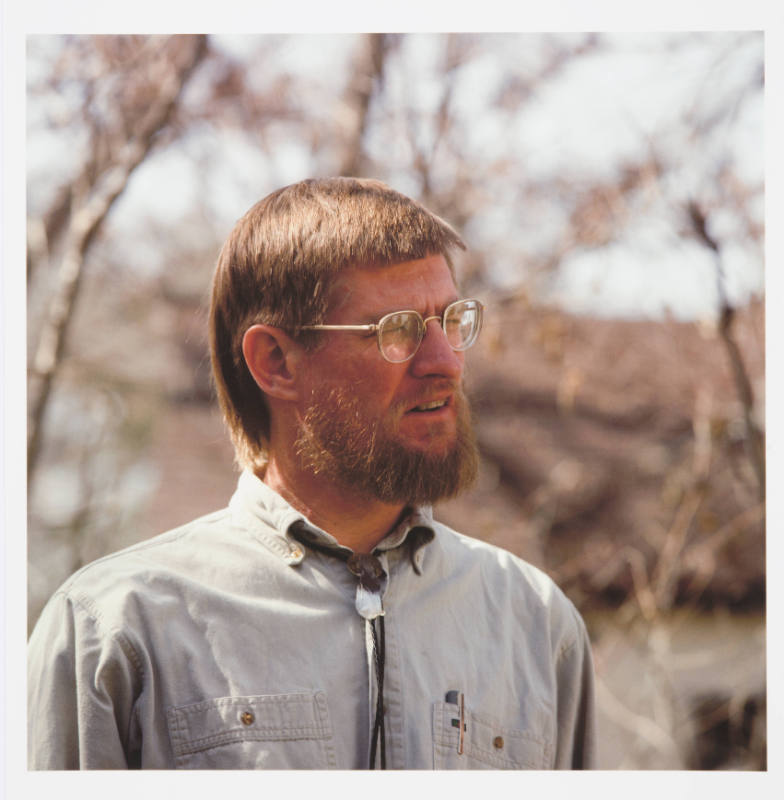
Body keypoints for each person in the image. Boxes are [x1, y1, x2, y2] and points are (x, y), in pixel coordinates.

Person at [27, 177, 596, 770]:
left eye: (452, 320)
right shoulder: (115, 629)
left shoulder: (536, 624)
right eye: (397, 330)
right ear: (275, 362)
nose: (446, 363)